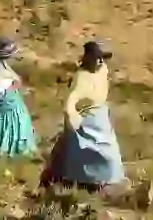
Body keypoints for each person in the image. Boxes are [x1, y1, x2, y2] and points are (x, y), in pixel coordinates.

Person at [40, 41, 126, 191]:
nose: (99, 61)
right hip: (85, 120)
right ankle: (83, 181)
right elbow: (70, 103)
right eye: (96, 58)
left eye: (101, 58)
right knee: (79, 152)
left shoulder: (103, 69)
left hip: (101, 117)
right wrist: (73, 120)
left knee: (110, 153)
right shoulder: (80, 78)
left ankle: (106, 180)